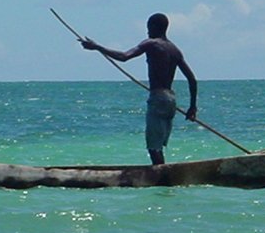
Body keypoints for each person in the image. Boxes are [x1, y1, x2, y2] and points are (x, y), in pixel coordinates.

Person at [80, 13, 198, 165]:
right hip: (171, 100)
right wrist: (192, 107)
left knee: (153, 147)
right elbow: (192, 80)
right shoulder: (175, 50)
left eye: (149, 28)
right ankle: (163, 175)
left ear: (155, 27)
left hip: (158, 97)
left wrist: (97, 47)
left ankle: (161, 175)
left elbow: (124, 56)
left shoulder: (151, 43)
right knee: (158, 145)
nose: (147, 31)